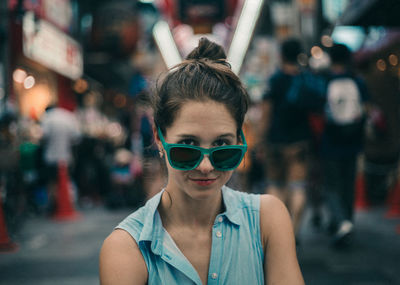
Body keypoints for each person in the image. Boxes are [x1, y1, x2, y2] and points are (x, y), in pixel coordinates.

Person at [100, 38, 304, 285]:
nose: (206, 166)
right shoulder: (125, 248)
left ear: (239, 139)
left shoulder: (269, 219)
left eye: (221, 145)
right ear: (159, 138)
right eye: (187, 146)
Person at [260, 38, 322, 243]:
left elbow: (266, 113)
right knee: (298, 187)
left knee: (275, 185)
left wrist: (261, 139)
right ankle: (293, 232)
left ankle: (277, 233)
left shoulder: (275, 79)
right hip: (300, 141)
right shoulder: (305, 79)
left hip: (276, 140)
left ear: (281, 55)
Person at [321, 43, 370, 246]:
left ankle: (339, 221)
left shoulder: (324, 81)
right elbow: (366, 109)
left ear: (331, 59)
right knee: (348, 184)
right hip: (353, 141)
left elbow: (319, 111)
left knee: (331, 185)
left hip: (330, 141)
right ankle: (347, 220)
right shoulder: (357, 81)